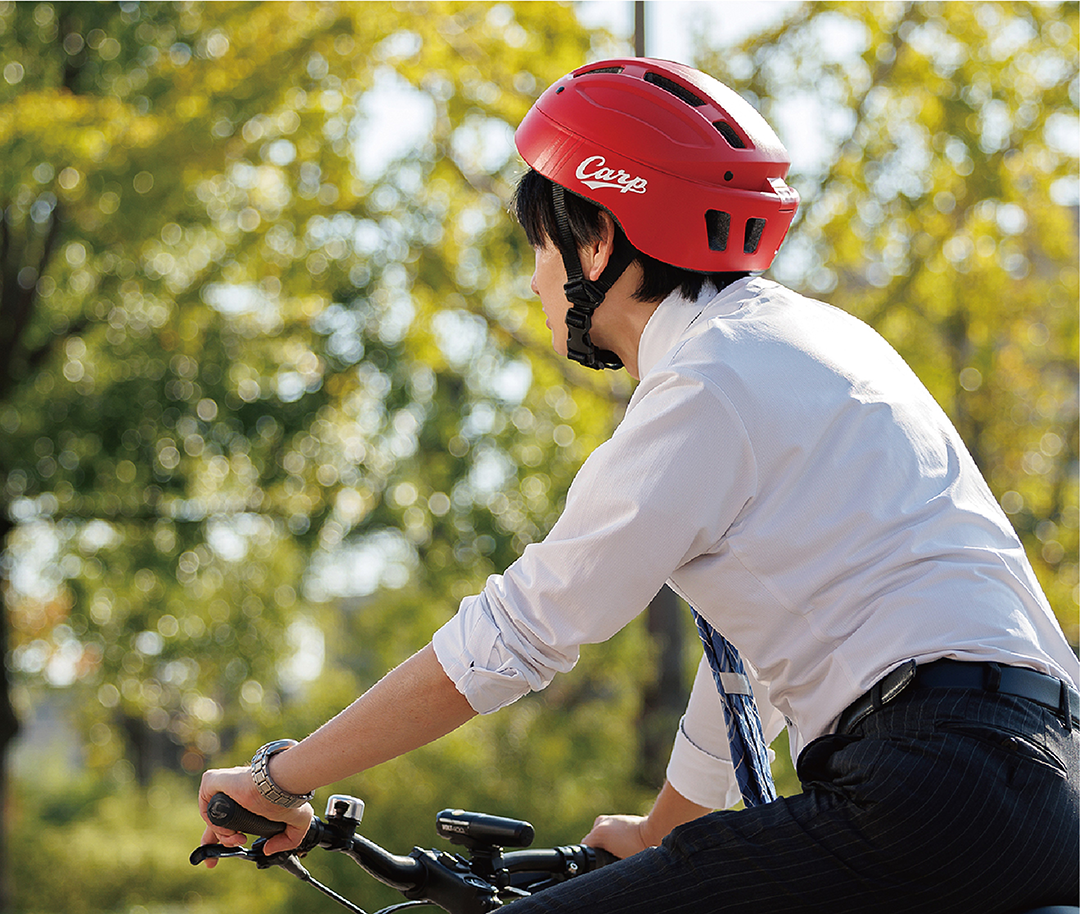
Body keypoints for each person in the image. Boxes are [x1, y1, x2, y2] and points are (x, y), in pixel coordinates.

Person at [199, 59, 1080, 912]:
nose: (536, 279)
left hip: (934, 786)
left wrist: (278, 778)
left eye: (540, 247)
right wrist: (668, 825)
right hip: (1039, 783)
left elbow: (514, 635)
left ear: (598, 241)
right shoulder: (816, 342)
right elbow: (768, 656)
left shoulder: (706, 384)